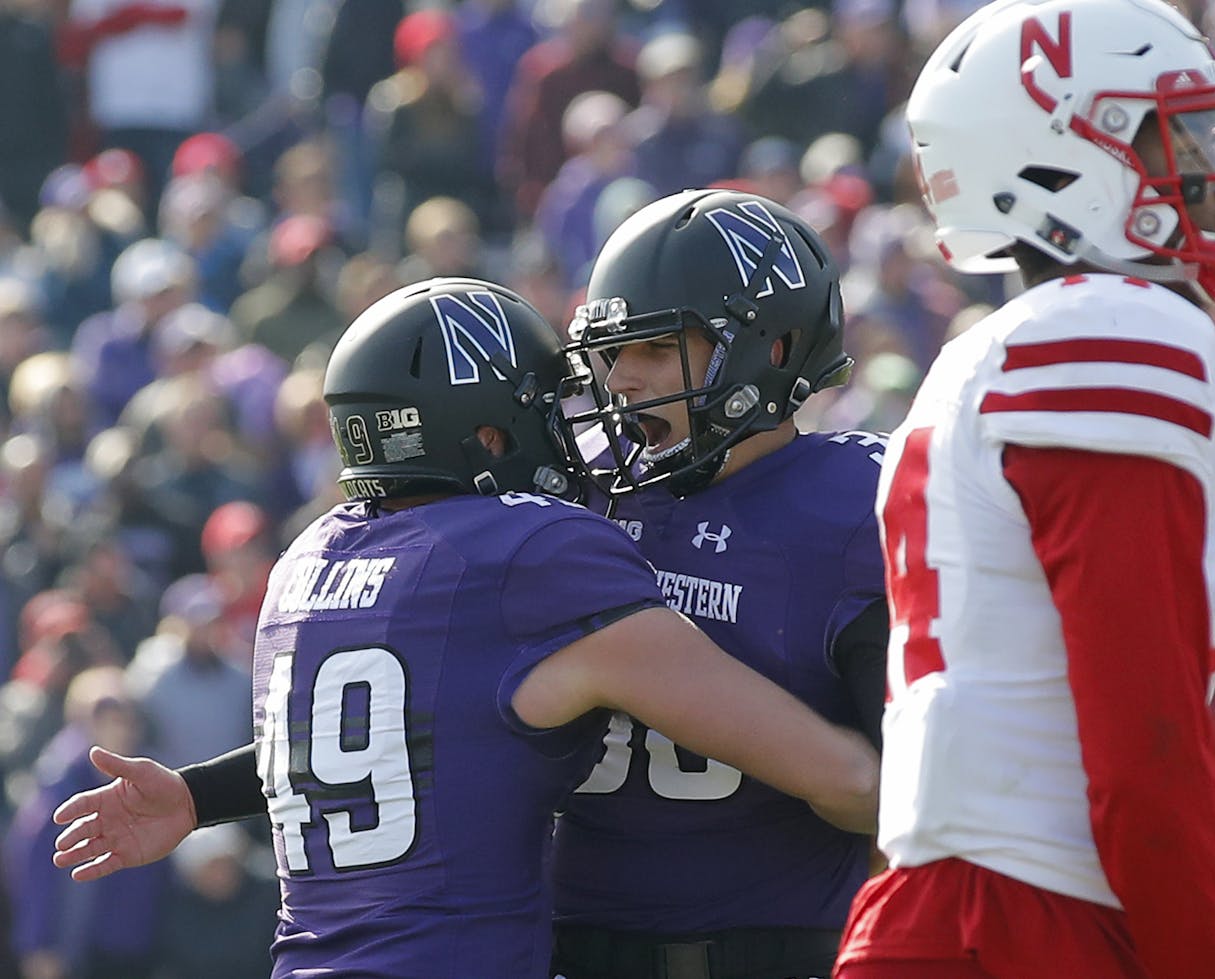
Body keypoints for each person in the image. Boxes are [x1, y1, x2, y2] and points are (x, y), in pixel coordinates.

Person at [50, 277, 879, 978]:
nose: (578, 428)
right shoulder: (531, 551)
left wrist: (200, 794)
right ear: (490, 433)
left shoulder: (309, 557)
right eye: (546, 407)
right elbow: (844, 778)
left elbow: (406, 738)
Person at [834, 0, 1215, 977]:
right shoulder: (1112, 332)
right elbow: (1142, 740)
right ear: (1060, 164)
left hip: (952, 907)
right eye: (1171, 133)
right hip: (1029, 916)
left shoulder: (992, 351)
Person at [552, 187, 887, 978]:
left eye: (655, 350)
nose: (621, 380)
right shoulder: (574, 484)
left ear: (768, 349)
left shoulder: (852, 511)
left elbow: (906, 799)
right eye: (611, 350)